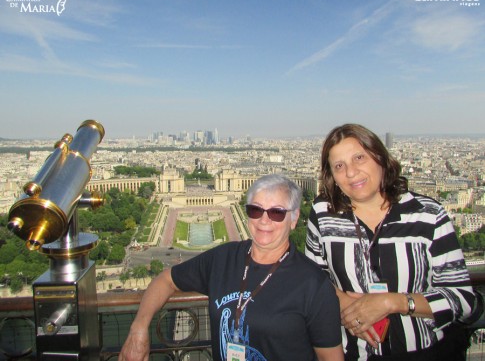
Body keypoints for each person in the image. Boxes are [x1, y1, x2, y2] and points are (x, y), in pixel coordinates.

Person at [120, 174, 344, 361]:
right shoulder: (222, 258)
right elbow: (166, 280)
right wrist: (138, 328)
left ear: (294, 219)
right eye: (255, 210)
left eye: (276, 212)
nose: (264, 220)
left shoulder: (314, 283)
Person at [305, 124, 477, 361]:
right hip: (352, 354)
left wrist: (393, 302)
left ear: (380, 157)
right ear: (331, 175)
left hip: (423, 354)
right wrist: (343, 302)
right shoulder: (323, 214)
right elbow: (313, 279)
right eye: (339, 166)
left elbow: (463, 299)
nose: (351, 172)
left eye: (359, 158)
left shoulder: (428, 215)